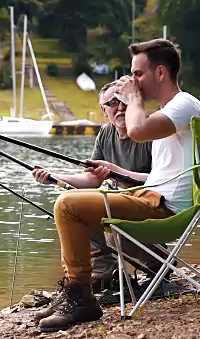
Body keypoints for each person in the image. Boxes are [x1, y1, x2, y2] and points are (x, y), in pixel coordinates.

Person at [35, 38, 200, 332]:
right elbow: (159, 175)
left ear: (161, 73)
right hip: (154, 198)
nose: (133, 81)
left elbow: (137, 131)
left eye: (138, 74)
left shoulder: (182, 105)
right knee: (75, 202)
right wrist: (63, 178)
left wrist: (134, 99)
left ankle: (80, 298)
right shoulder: (173, 112)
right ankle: (77, 292)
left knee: (67, 206)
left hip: (163, 209)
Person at [32, 80, 163, 295]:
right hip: (119, 203)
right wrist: (54, 178)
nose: (120, 108)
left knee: (103, 213)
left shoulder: (149, 131)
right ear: (103, 110)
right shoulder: (105, 133)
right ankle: (106, 273)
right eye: (112, 103)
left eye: (124, 101)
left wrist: (114, 172)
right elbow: (92, 180)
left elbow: (161, 178)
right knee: (78, 203)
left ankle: (157, 263)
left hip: (149, 206)